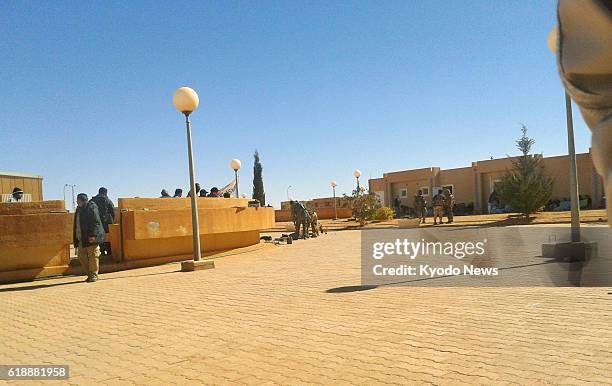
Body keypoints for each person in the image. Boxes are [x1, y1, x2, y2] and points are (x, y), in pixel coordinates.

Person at [73, 193, 105, 282]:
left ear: (82, 200)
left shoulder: (91, 207)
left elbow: (96, 222)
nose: (77, 202)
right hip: (82, 238)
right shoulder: (78, 210)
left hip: (91, 237)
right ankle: (90, 274)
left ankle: (93, 275)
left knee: (93, 256)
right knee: (81, 256)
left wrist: (94, 235)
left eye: (78, 200)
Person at [91, 187, 115, 256]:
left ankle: (102, 252)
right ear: (105, 192)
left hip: (96, 223)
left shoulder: (93, 200)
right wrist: (111, 220)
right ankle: (109, 252)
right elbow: (112, 211)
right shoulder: (107, 200)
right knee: (108, 237)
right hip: (106, 222)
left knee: (99, 237)